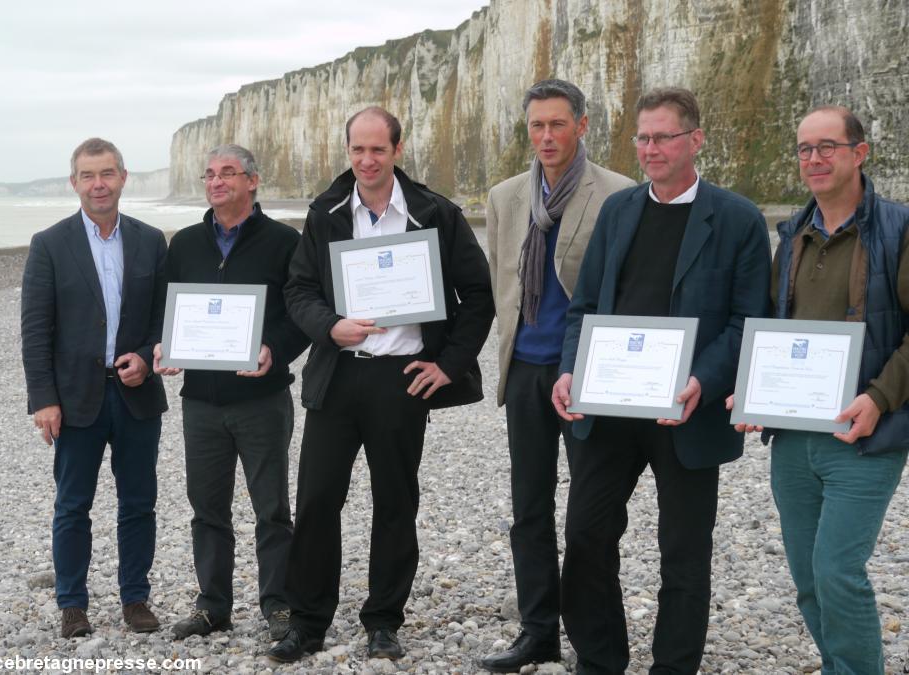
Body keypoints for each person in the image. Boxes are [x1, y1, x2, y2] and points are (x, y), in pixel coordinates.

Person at [550, 88, 770, 674]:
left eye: (663, 137)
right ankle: (600, 661)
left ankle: (673, 667)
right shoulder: (617, 211)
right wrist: (570, 368)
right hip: (610, 405)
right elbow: (584, 307)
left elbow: (748, 321)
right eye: (642, 138)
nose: (650, 149)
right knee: (587, 535)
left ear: (695, 140)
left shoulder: (739, 219)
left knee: (684, 552)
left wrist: (702, 378)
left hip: (687, 410)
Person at [269, 106, 494, 663]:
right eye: (357, 150)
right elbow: (298, 290)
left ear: (397, 150)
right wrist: (330, 327)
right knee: (318, 500)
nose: (367, 160)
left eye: (377, 149)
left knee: (395, 501)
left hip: (403, 379)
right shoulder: (325, 213)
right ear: (347, 151)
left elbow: (477, 295)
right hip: (338, 374)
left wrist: (449, 365)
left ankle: (384, 621)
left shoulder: (435, 213)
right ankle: (307, 622)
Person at [728, 106, 909, 674]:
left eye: (827, 146)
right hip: (793, 437)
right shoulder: (792, 237)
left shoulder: (899, 229)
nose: (814, 158)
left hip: (863, 436)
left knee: (838, 572)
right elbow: (775, 329)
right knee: (808, 578)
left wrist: (879, 398)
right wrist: (751, 391)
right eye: (805, 149)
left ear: (860, 153)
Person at [480, 79, 635, 673]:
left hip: (589, 373)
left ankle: (596, 643)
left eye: (558, 124)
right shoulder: (506, 197)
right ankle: (538, 631)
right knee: (529, 508)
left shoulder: (619, 194)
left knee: (591, 517)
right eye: (537, 126)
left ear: (582, 126)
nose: (546, 136)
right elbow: (502, 279)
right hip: (525, 369)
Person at [153, 143, 309, 641]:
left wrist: (274, 350)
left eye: (228, 173)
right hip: (201, 402)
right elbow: (167, 310)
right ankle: (213, 606)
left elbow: (302, 313)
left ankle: (278, 606)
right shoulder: (185, 244)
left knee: (272, 510)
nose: (216, 182)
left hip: (262, 399)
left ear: (252, 181)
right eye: (209, 174)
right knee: (207, 510)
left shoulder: (284, 242)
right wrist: (163, 345)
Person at [20, 138, 169, 638]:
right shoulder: (49, 244)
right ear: (74, 183)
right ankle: (72, 604)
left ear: (123, 177)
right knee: (72, 505)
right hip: (74, 398)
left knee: (139, 503)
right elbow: (35, 330)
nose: (98, 184)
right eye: (88, 175)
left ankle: (135, 599)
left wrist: (146, 357)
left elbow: (163, 317)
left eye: (107, 173)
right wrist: (43, 400)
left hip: (136, 394)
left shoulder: (151, 240)